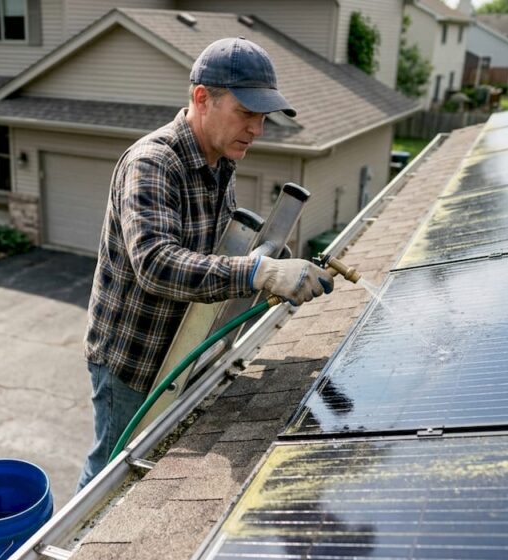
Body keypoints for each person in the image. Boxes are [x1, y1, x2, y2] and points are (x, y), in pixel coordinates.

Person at [77, 37, 334, 490]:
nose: (257, 129)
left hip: (178, 351)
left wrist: (264, 270)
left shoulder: (218, 162)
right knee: (109, 476)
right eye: (246, 113)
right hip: (132, 359)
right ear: (202, 98)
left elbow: (211, 255)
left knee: (145, 470)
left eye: (263, 117)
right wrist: (259, 272)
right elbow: (156, 264)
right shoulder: (153, 164)